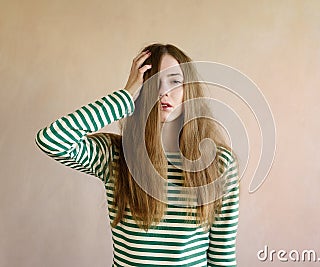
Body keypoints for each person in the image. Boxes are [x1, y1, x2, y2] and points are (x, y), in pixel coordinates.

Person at [35, 43, 240, 266]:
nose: (163, 92)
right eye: (152, 82)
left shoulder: (219, 164)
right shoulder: (114, 156)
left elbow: (222, 258)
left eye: (175, 81)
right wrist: (125, 96)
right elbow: (51, 139)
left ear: (189, 89)